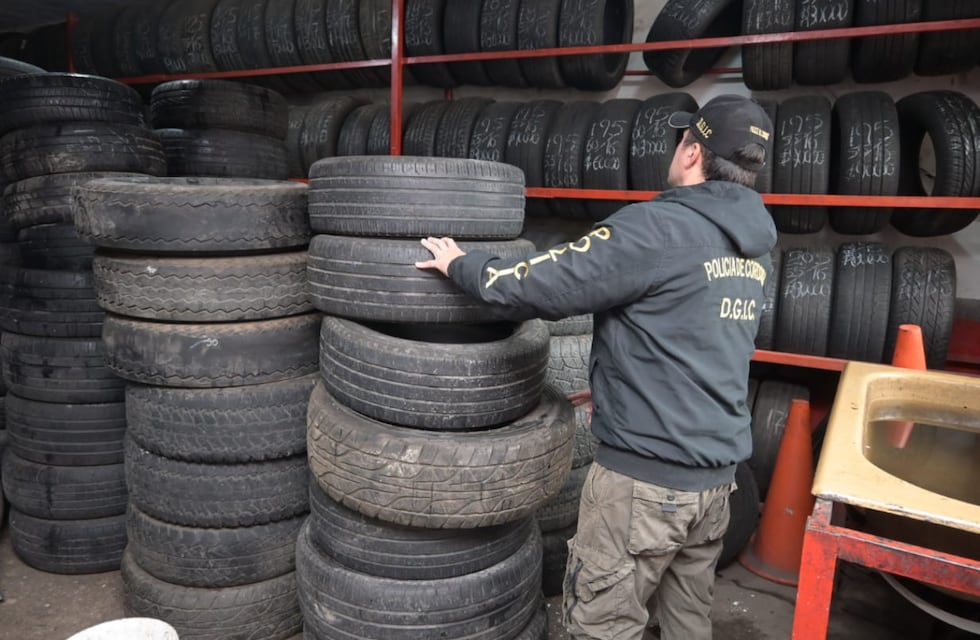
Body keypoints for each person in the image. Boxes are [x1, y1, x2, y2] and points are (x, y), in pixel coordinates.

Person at [416, 94, 777, 640]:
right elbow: (694, 336)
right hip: (715, 482)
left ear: (691, 152)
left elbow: (541, 284)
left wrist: (463, 266)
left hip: (644, 486)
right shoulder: (756, 250)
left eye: (682, 139)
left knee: (602, 625)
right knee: (688, 624)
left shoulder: (656, 229)